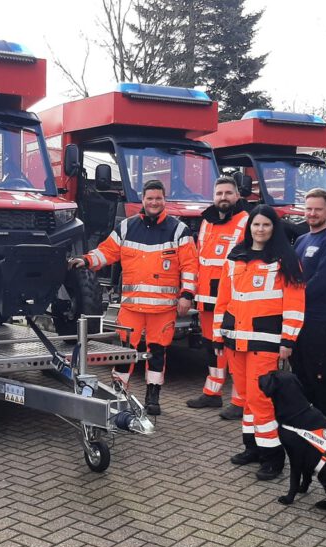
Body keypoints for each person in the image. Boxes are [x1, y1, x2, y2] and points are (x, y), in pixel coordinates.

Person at [70, 179, 198, 416]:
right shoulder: (127, 227)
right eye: (150, 198)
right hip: (132, 308)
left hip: (163, 310)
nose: (154, 202)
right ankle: (119, 393)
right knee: (125, 352)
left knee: (157, 353)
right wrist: (86, 260)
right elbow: (107, 251)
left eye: (158, 198)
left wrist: (187, 295)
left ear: (164, 200)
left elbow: (190, 265)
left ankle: (153, 396)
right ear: (143, 200)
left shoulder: (179, 230)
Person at [213, 204, 305, 481]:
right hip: (235, 340)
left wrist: (288, 339)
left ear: (273, 228)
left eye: (266, 225)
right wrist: (218, 335)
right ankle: (252, 448)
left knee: (260, 399)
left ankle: (273, 458)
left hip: (265, 341)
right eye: (256, 224)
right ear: (249, 227)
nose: (260, 229)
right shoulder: (235, 256)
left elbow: (294, 303)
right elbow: (223, 300)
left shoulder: (285, 259)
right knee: (244, 398)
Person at [185, 176, 249, 420]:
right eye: (219, 193)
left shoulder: (246, 221)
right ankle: (212, 393)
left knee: (233, 350)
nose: (223, 198)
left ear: (237, 196)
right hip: (206, 298)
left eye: (228, 193)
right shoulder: (206, 222)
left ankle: (240, 401)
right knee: (212, 347)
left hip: (232, 300)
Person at [291, 188, 326, 430]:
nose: (312, 214)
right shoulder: (303, 240)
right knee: (300, 368)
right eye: (309, 209)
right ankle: (309, 415)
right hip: (295, 318)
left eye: (318, 209)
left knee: (321, 370)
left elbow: (322, 282)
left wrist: (292, 301)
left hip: (315, 318)